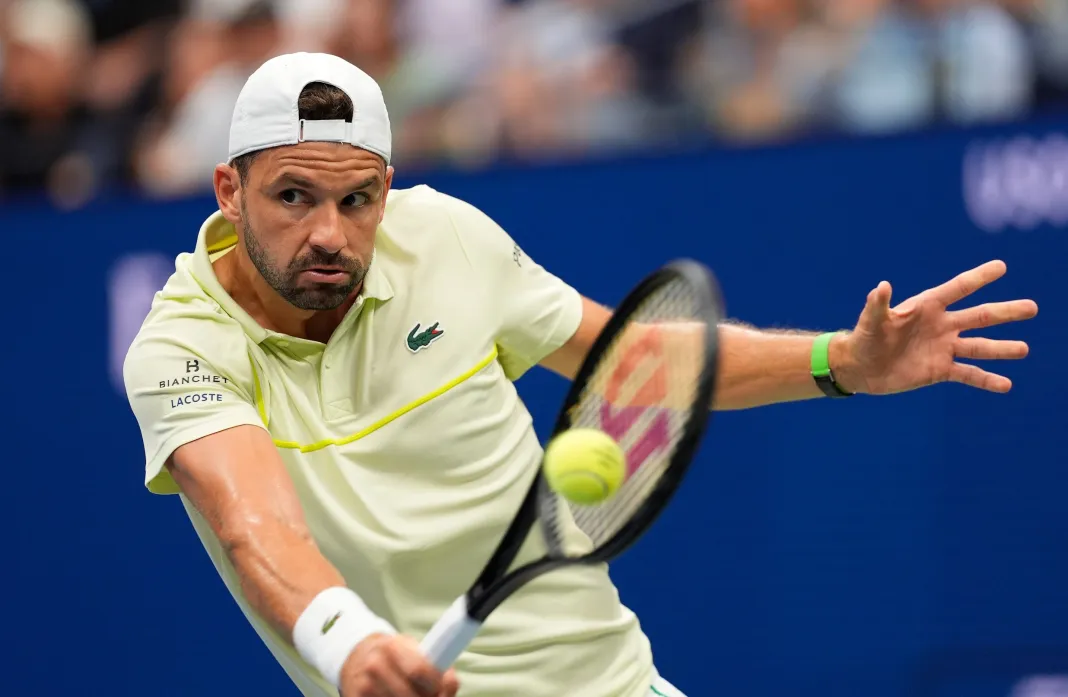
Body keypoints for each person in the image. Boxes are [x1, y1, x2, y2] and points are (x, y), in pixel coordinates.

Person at [122, 52, 1038, 697]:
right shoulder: (179, 346)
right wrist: (351, 642)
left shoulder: (448, 238)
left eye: (358, 198)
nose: (330, 230)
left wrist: (841, 359)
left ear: (387, 190)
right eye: (294, 196)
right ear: (228, 192)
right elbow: (257, 528)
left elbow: (639, 363)